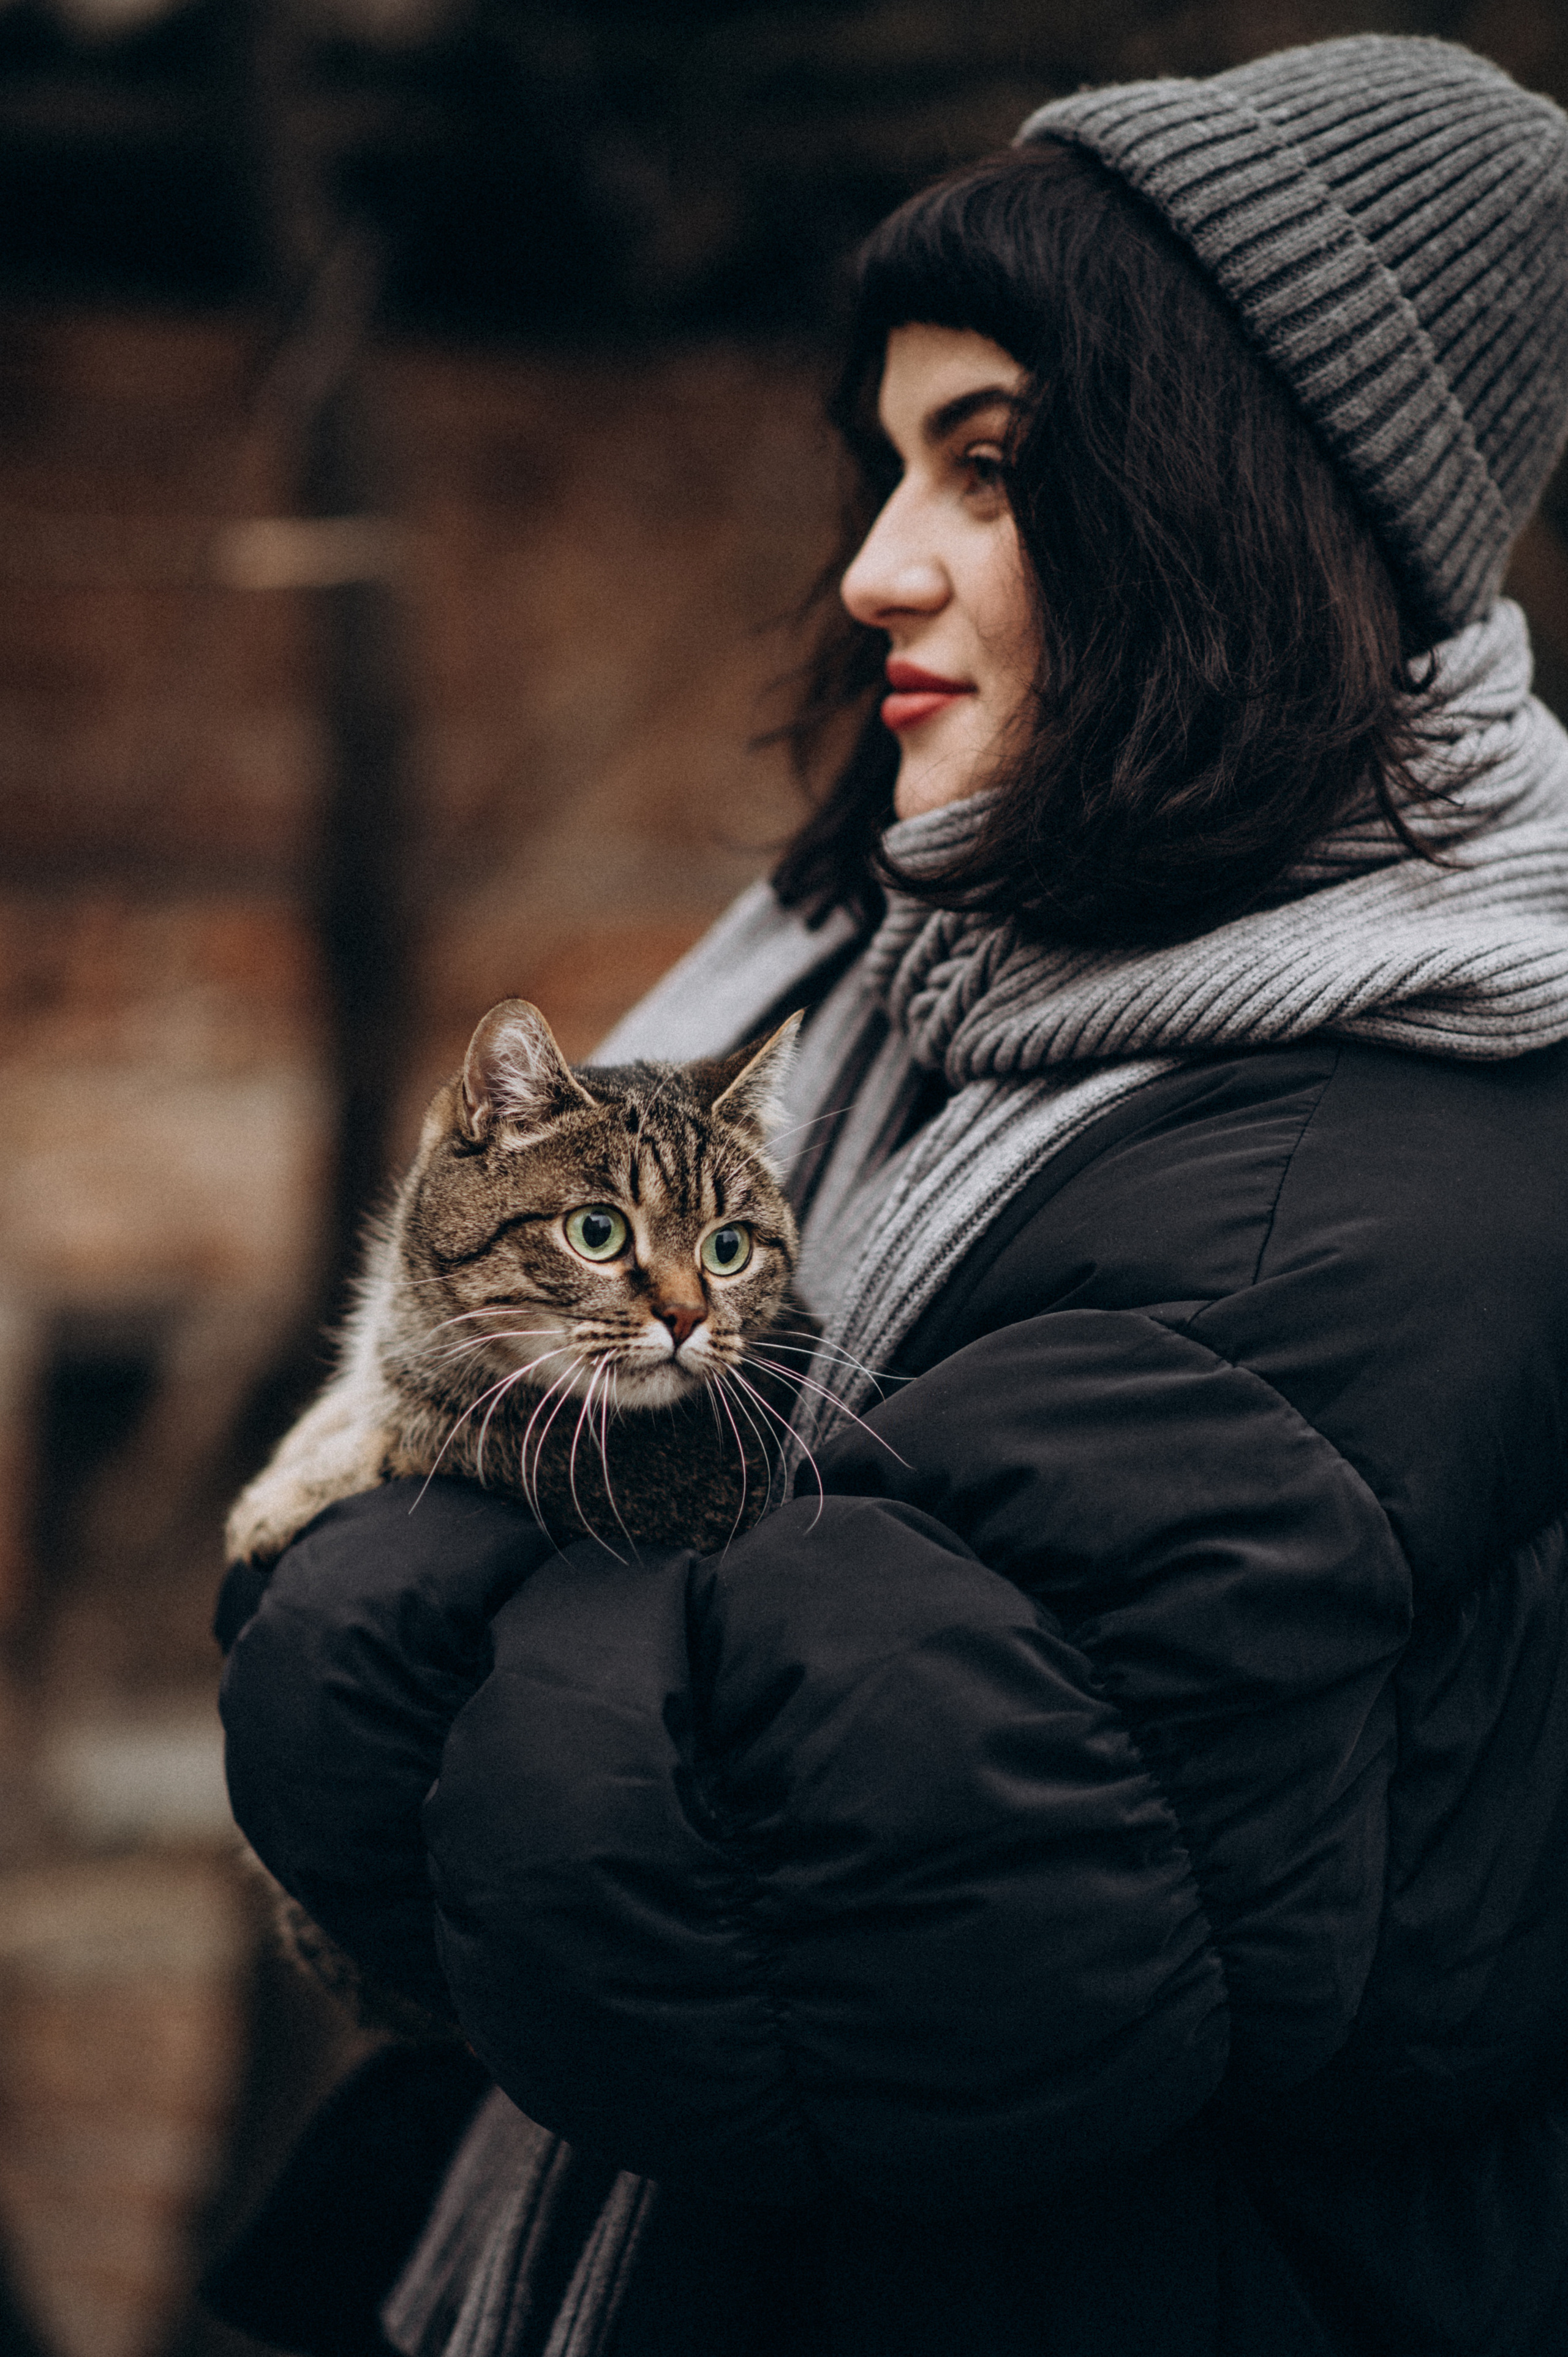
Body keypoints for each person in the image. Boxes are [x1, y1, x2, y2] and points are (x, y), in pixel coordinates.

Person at [209, 33, 1568, 2357]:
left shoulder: (1367, 1167)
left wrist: (370, 1542)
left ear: (1234, 515)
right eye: (884, 461)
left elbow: (775, 1892)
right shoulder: (914, 996)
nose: (869, 568)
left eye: (993, 469)